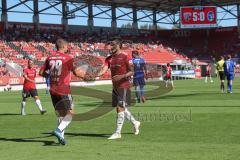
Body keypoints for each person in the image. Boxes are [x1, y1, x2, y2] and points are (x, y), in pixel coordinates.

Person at [39, 38, 85, 145]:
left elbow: (41, 72)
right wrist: (89, 76)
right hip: (63, 89)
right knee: (70, 113)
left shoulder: (49, 58)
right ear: (63, 46)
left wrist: (51, 75)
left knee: (61, 115)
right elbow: (77, 73)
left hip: (53, 90)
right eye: (67, 46)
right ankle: (58, 131)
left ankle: (61, 137)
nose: (68, 48)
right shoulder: (68, 58)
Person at [97, 40, 141, 140]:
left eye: (112, 44)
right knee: (122, 108)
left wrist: (122, 76)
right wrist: (94, 75)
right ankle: (135, 122)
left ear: (118, 46)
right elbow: (103, 70)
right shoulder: (109, 58)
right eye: (110, 44)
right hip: (115, 86)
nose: (110, 46)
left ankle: (118, 133)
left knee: (119, 107)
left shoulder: (125, 56)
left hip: (124, 85)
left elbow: (132, 71)